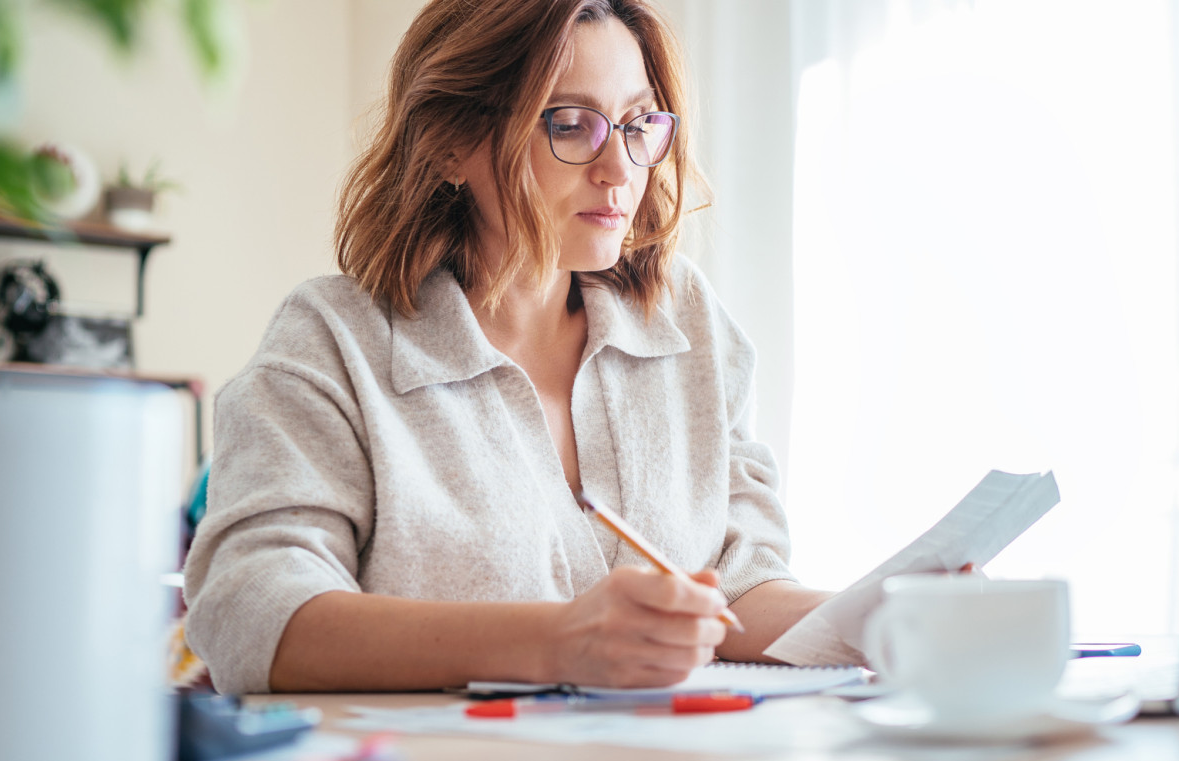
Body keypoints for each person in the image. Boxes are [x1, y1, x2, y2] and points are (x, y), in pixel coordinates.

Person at [182, 0, 834, 695]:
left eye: (639, 124)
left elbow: (737, 593)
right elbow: (249, 615)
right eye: (570, 124)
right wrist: (558, 644)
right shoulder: (332, 341)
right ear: (449, 143)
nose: (620, 167)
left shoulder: (690, 322)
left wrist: (885, 617)